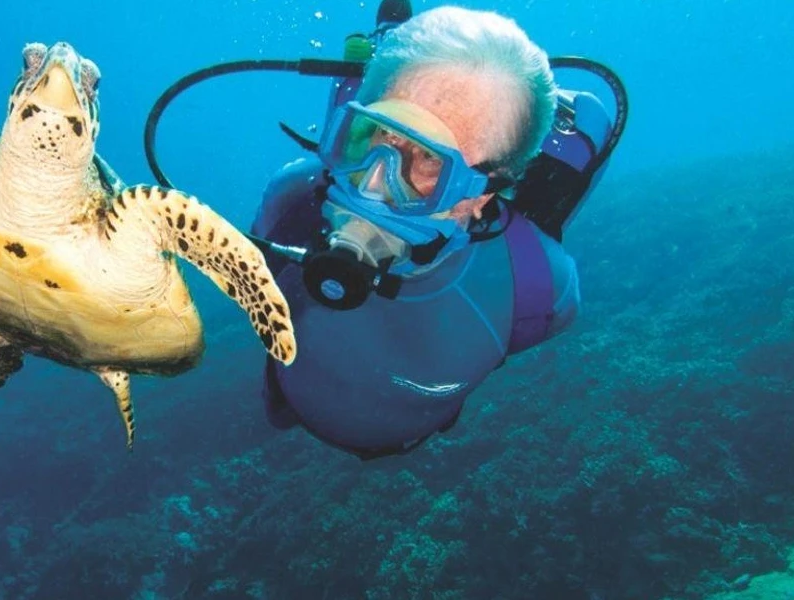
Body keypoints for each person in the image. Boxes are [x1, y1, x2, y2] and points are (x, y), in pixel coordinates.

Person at [245, 1, 624, 460]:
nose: (374, 185)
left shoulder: (541, 285)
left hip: (401, 441)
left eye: (427, 161)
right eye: (373, 137)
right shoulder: (291, 199)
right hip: (291, 398)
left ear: (482, 195)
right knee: (276, 411)